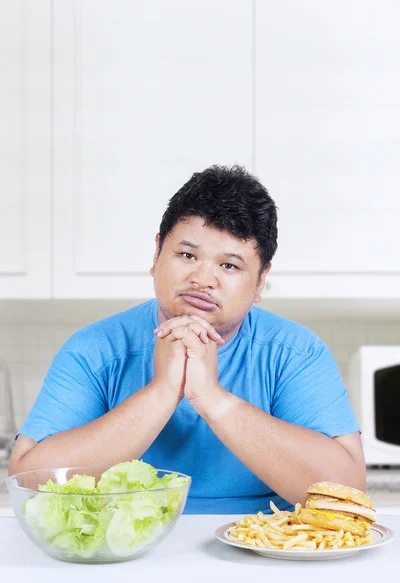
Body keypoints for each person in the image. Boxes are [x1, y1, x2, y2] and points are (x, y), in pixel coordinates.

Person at [9, 165, 366, 514]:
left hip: (268, 549)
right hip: (123, 552)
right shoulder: (95, 349)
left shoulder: (296, 352)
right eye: (187, 255)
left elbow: (347, 495)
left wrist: (212, 398)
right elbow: (28, 483)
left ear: (259, 282)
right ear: (156, 255)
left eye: (229, 266)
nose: (202, 278)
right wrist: (162, 391)